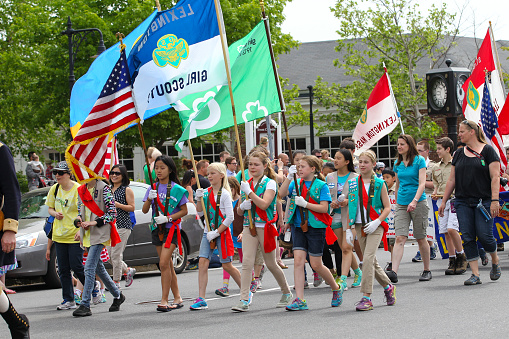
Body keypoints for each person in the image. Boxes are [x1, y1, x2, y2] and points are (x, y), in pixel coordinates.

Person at [439, 120, 501, 285]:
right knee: (467, 236)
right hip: (462, 201)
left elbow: (495, 177)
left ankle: (494, 259)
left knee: (485, 236)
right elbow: (452, 179)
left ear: (472, 132)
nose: (459, 134)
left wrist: (495, 200)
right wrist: (444, 201)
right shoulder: (458, 154)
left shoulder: (488, 151)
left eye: (462, 131)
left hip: (484, 202)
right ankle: (475, 274)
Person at [279, 155, 342, 311]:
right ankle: (300, 299)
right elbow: (281, 194)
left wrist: (306, 204)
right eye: (298, 167)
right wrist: (288, 177)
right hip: (298, 226)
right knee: (298, 262)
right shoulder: (295, 182)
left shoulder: (321, 185)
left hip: (315, 226)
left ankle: (335, 287)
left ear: (313, 169)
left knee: (316, 264)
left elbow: (324, 208)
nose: (299, 169)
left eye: (303, 166)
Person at [231, 151, 292, 312]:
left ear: (265, 166)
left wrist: (249, 193)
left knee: (271, 263)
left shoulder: (270, 183)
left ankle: (286, 291)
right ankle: (244, 299)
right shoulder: (246, 183)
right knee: (246, 263)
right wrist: (242, 206)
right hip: (248, 227)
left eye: (256, 164)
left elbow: (265, 204)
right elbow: (238, 211)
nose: (252, 167)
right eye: (250, 164)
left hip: (265, 227)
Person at [346, 150, 396, 311]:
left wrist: (378, 221)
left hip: (375, 224)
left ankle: (366, 297)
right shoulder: (353, 183)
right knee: (371, 261)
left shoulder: (380, 183)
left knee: (367, 259)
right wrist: (349, 228)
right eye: (360, 162)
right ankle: (388, 287)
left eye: (366, 162)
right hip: (360, 225)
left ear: (373, 164)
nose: (362, 165)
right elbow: (351, 206)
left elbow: (387, 207)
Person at [190, 163, 242, 310]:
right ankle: (201, 298)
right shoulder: (205, 192)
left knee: (227, 265)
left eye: (213, 173)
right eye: (208, 174)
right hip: (208, 232)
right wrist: (199, 199)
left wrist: (217, 232)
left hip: (222, 232)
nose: (209, 176)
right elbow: (200, 213)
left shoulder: (225, 194)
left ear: (221, 175)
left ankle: (246, 292)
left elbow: (230, 217)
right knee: (202, 263)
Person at [73, 179, 125, 317]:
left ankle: (85, 304)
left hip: (100, 234)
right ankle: (118, 295)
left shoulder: (105, 189)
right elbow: (80, 210)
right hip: (87, 235)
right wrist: (79, 220)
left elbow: (112, 214)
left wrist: (94, 222)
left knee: (89, 267)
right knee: (99, 269)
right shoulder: (81, 190)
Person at [142, 155, 188, 311]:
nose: (159, 171)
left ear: (170, 169)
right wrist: (149, 199)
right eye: (156, 168)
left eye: (162, 168)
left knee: (163, 263)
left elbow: (184, 211)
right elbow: (145, 210)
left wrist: (168, 218)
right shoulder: (152, 187)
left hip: (172, 229)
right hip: (157, 229)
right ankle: (177, 297)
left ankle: (164, 300)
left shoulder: (177, 189)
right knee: (167, 264)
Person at [387, 134, 431, 283]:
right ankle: (394, 272)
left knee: (420, 237)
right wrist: (397, 202)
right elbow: (398, 184)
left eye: (402, 144)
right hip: (401, 203)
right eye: (398, 144)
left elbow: (422, 184)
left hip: (418, 202)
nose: (399, 147)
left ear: (409, 145)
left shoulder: (419, 160)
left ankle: (426, 269)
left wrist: (414, 200)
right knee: (400, 237)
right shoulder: (397, 164)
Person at [45, 162, 85, 310]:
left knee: (76, 266)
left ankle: (91, 288)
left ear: (69, 174)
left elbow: (84, 211)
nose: (57, 175)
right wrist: (55, 213)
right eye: (55, 172)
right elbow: (50, 208)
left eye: (60, 173)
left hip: (73, 235)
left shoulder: (78, 189)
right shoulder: (54, 189)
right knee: (63, 269)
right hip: (59, 235)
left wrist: (79, 230)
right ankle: (68, 299)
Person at [0, 141, 30, 337]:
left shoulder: (0, 149)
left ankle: (18, 324)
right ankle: (18, 323)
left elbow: (12, 191)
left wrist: (10, 228)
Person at [326, 149, 362, 290]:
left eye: (339, 158)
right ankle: (358, 272)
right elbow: (327, 195)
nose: (335, 161)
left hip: (350, 216)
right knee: (342, 248)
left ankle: (343, 278)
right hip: (335, 214)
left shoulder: (355, 177)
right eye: (335, 158)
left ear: (347, 161)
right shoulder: (329, 177)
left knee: (347, 246)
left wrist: (347, 201)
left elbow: (359, 197)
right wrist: (331, 202)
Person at [432, 137, 467, 275]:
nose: (437, 151)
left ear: (448, 149)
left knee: (452, 229)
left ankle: (462, 256)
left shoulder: (457, 164)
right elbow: (436, 184)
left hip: (454, 199)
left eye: (440, 149)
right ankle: (452, 259)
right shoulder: (436, 167)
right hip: (441, 201)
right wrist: (435, 192)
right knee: (445, 231)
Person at [108, 164, 137, 288]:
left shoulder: (126, 189)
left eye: (117, 173)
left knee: (116, 255)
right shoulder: (108, 189)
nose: (114, 175)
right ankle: (127, 270)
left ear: (123, 175)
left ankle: (116, 282)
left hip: (123, 225)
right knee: (108, 255)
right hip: (110, 226)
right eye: (112, 173)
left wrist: (118, 205)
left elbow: (132, 207)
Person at [215, 177, 245, 296]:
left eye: (230, 189)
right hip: (228, 234)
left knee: (245, 259)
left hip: (239, 233)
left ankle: (252, 280)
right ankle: (225, 286)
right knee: (227, 261)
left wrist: (243, 232)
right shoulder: (223, 200)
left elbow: (245, 218)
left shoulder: (241, 200)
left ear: (235, 188)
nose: (228, 191)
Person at [412, 140, 438, 262]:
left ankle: (429, 247)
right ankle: (427, 247)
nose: (417, 153)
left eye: (420, 151)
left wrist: (422, 182)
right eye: (416, 150)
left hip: (428, 198)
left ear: (427, 151)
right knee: (420, 226)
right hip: (415, 198)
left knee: (428, 225)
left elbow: (436, 184)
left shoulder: (433, 166)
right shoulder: (413, 164)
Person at [382, 168, 397, 271]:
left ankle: (393, 262)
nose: (385, 180)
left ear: (394, 178)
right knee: (388, 242)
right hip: (386, 218)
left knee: (393, 242)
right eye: (383, 177)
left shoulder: (396, 190)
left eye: (388, 177)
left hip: (395, 218)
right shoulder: (382, 189)